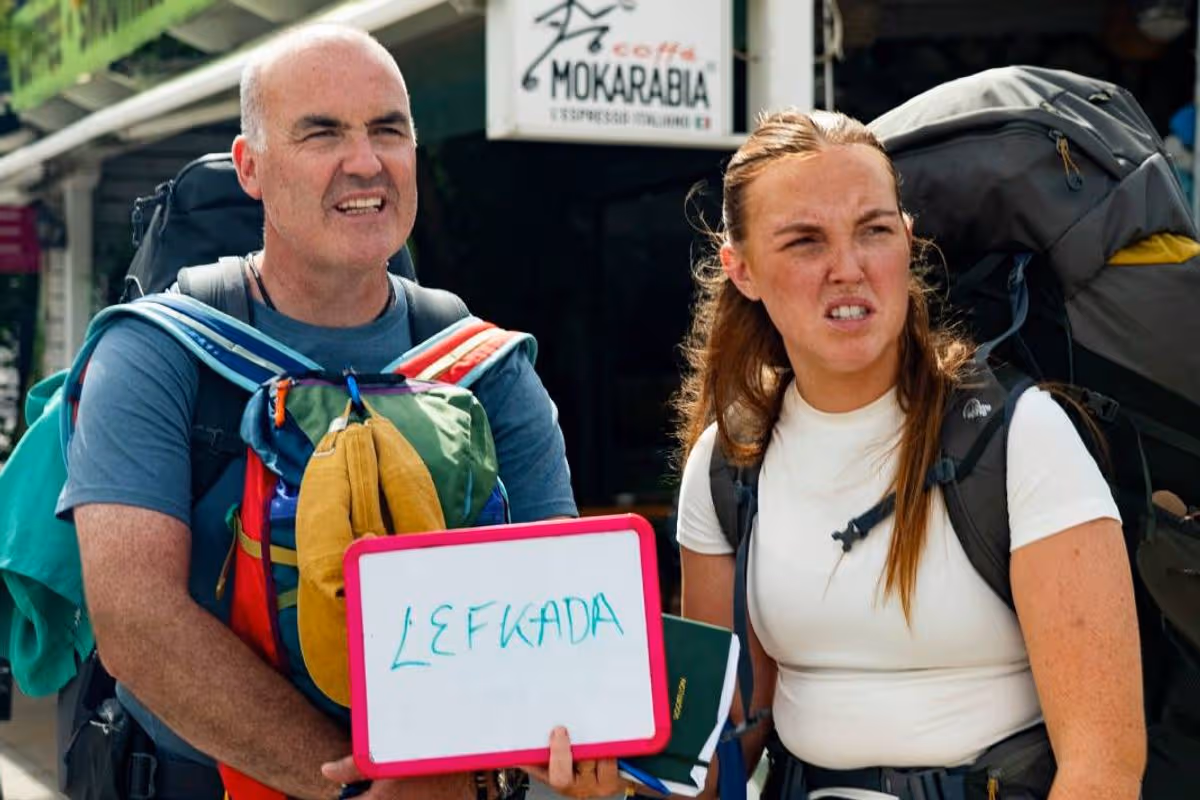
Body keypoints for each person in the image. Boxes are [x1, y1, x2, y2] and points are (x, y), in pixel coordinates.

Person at [57, 24, 604, 800]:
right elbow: (137, 625)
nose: (366, 161)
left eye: (389, 130)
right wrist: (360, 786)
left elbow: (556, 606)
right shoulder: (156, 353)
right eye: (322, 133)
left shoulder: (486, 366)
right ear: (251, 167)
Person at [671, 110, 1146, 800]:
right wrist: (617, 767)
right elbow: (721, 746)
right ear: (740, 270)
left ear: (907, 240)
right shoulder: (728, 462)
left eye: (874, 230)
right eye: (805, 241)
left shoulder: (1022, 438)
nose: (848, 269)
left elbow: (1103, 766)